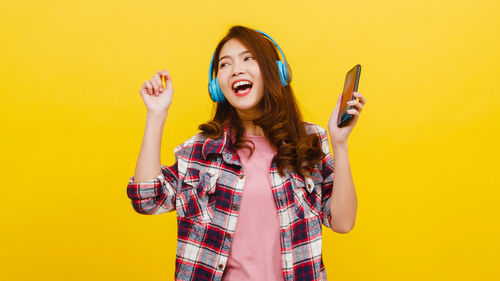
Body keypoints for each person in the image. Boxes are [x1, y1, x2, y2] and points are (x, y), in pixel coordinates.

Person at [127, 25, 365, 281]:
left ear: (277, 72)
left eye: (248, 58)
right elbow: (147, 200)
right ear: (216, 86)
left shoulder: (309, 142)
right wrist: (156, 114)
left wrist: (339, 143)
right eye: (225, 64)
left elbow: (342, 222)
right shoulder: (200, 151)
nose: (236, 69)